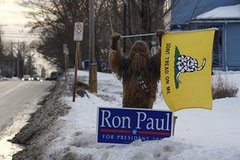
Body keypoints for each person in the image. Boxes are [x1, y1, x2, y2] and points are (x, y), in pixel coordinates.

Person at [109, 31, 164, 109]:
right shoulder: (151, 65)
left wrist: (114, 44)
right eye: (137, 51)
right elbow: (163, 57)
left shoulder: (127, 65)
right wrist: (162, 40)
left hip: (134, 103)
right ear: (147, 52)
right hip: (142, 104)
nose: (138, 54)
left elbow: (115, 59)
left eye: (141, 51)